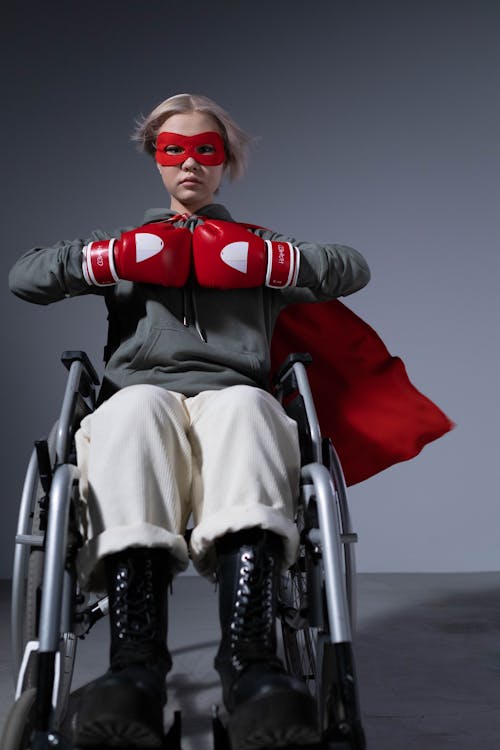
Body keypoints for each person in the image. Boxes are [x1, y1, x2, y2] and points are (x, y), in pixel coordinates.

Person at [9, 93, 371, 750]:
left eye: (205, 150)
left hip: (233, 396)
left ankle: (252, 663)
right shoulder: (125, 247)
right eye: (173, 150)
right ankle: (135, 667)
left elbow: (351, 266)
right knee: (137, 409)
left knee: (247, 408)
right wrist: (110, 259)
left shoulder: (258, 244)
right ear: (156, 158)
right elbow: (25, 276)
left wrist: (268, 262)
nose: (189, 165)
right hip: (141, 397)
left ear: (224, 161)